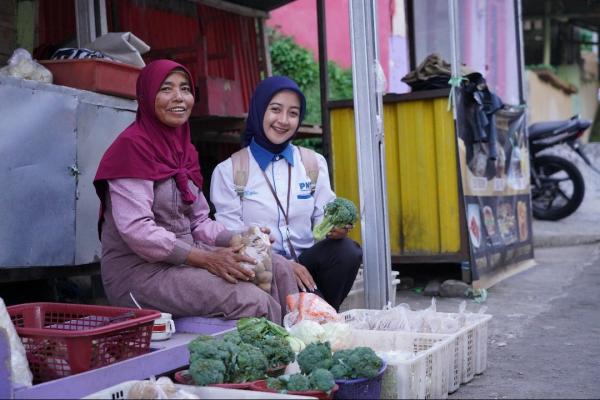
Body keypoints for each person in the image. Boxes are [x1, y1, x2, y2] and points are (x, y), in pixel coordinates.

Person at [93, 60, 297, 323]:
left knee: (279, 267)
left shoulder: (183, 150)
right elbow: (137, 231)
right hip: (141, 273)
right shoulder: (132, 148)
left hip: (187, 260)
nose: (179, 97)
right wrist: (205, 259)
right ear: (146, 96)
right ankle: (276, 358)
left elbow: (199, 221)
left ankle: (299, 346)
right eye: (166, 89)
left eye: (185, 89)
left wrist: (240, 236)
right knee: (250, 298)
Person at [210, 76, 362, 311]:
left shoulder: (312, 162)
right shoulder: (229, 171)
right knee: (310, 311)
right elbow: (232, 238)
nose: (283, 121)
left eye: (293, 113)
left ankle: (317, 316)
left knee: (347, 252)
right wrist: (282, 264)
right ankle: (320, 318)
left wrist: (334, 227)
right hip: (260, 268)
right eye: (275, 110)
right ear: (259, 110)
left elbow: (324, 213)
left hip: (308, 264)